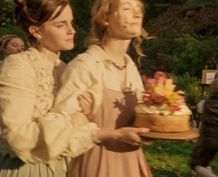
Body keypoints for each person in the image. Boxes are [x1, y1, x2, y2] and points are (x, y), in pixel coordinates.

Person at [0, 0, 149, 177]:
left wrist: (86, 119)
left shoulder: (63, 67)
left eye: (71, 22)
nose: (72, 30)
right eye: (61, 25)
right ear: (36, 31)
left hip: (61, 168)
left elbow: (73, 138)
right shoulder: (18, 65)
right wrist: (73, 119)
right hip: (26, 169)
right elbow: (18, 137)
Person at [53, 0, 153, 176]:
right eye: (127, 9)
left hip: (131, 163)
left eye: (139, 10)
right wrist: (87, 120)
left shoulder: (130, 67)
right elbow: (62, 131)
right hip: (96, 163)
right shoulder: (85, 66)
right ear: (106, 18)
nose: (137, 15)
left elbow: (139, 120)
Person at [190, 78, 218, 177]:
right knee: (205, 162)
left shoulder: (203, 103)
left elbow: (198, 109)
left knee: (196, 164)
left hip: (206, 139)